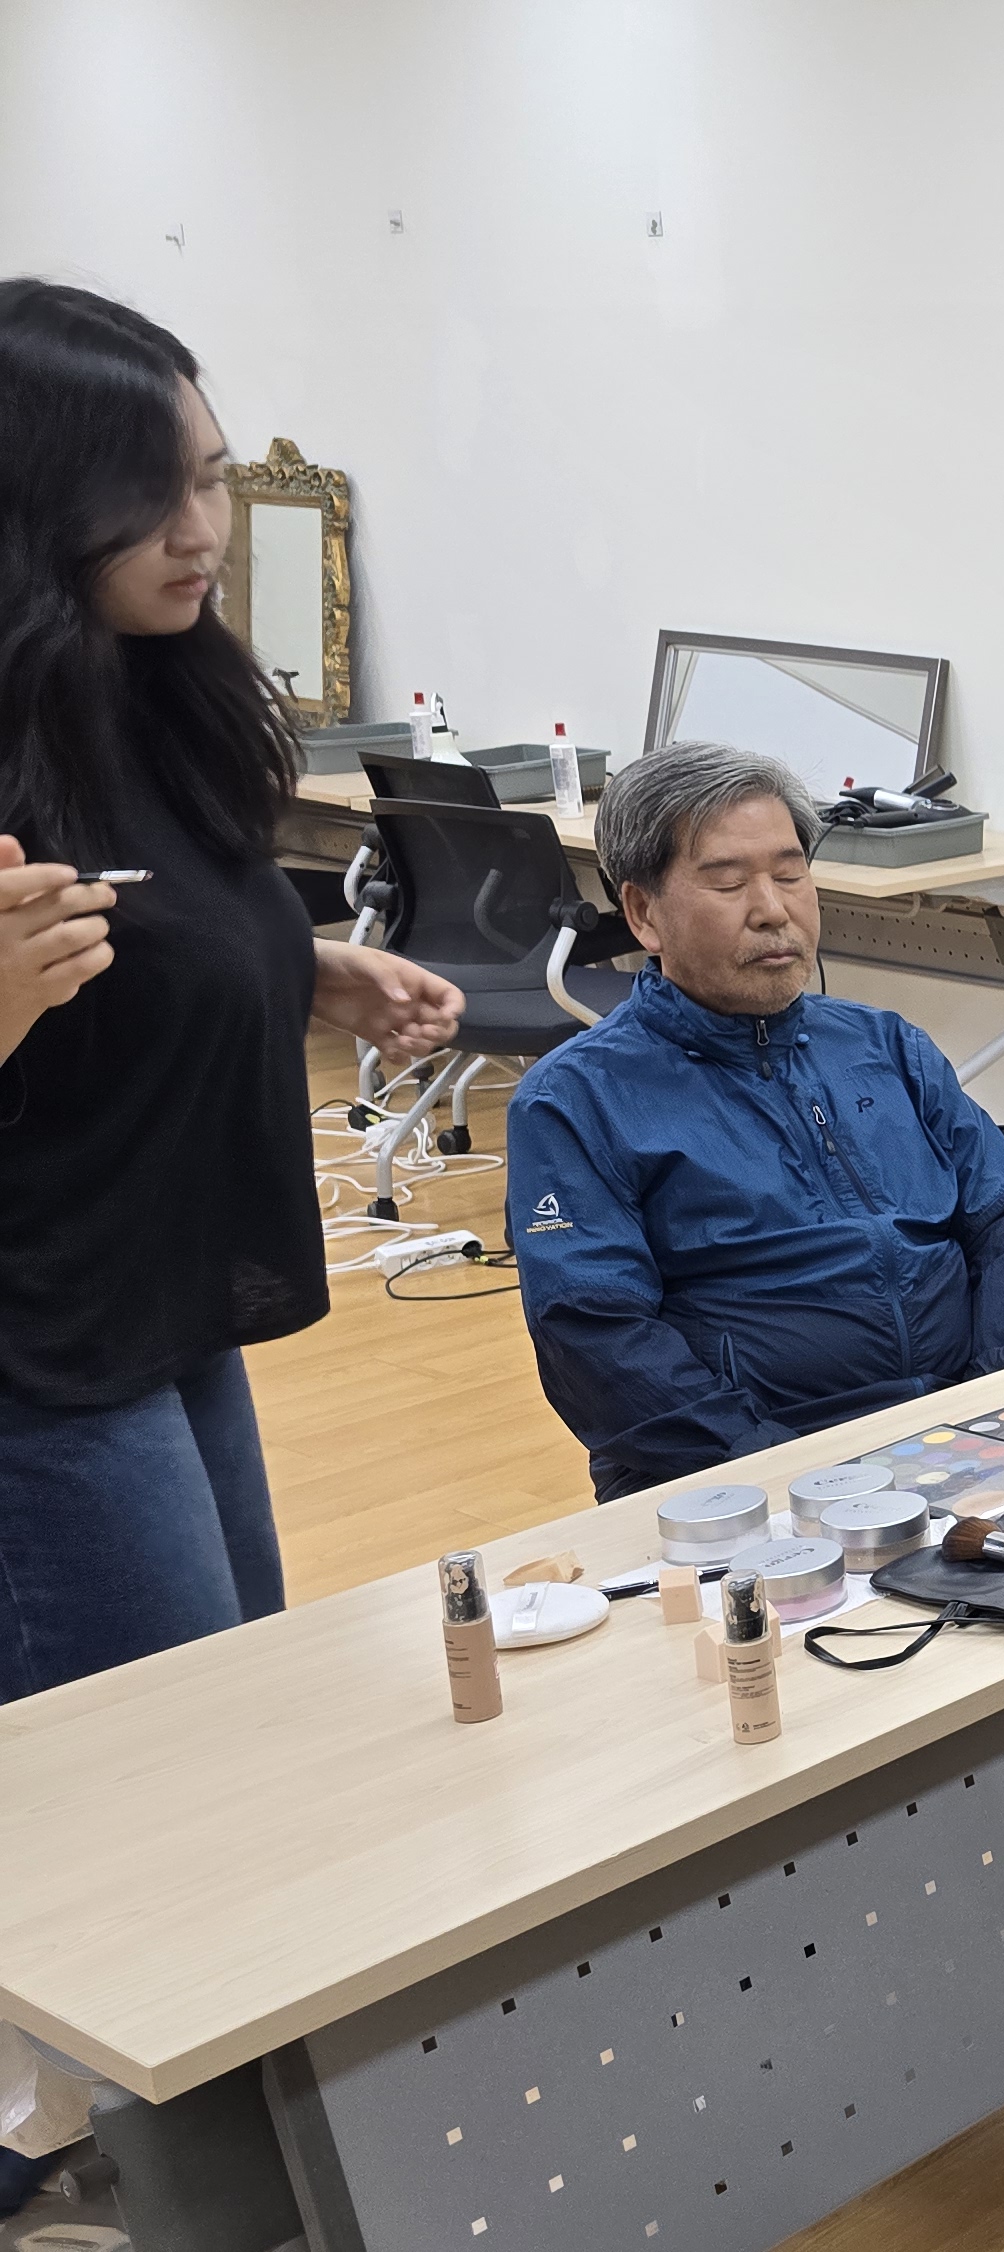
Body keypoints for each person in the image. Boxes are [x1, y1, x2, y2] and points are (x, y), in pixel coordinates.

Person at [0, 281, 463, 2212]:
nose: (205, 532)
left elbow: (168, 928)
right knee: (159, 1790)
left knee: (224, 1732)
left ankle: (171, 2149)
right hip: (37, 1359)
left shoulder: (142, 693)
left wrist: (309, 967)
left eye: (212, 480)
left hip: (168, 1309)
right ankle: (177, 2184)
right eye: (160, 494)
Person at [508, 743, 1004, 1501]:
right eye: (729, 883)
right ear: (643, 913)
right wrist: (782, 1471)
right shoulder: (574, 1101)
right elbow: (595, 1337)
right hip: (743, 1474)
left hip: (958, 1434)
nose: (772, 910)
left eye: (791, 875)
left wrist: (997, 1405)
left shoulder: (886, 1046)